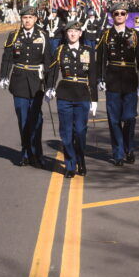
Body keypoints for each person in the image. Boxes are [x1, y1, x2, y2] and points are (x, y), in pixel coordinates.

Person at [0, 6, 53, 168]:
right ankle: (25, 152)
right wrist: (3, 76)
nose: (27, 20)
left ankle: (37, 153)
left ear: (36, 19)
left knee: (36, 119)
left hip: (37, 82)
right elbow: (7, 58)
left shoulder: (43, 36)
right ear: (21, 19)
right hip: (19, 81)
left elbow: (48, 62)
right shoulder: (13, 36)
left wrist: (50, 85)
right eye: (25, 18)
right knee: (23, 119)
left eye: (30, 17)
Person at [96, 2, 139, 166]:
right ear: (112, 16)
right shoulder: (106, 35)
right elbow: (101, 59)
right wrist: (100, 78)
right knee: (114, 119)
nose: (119, 16)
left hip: (130, 79)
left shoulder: (133, 34)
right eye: (116, 13)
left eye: (122, 13)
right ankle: (118, 152)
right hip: (112, 80)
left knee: (130, 117)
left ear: (127, 16)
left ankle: (129, 147)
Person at [45, 21, 99, 178]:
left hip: (82, 94)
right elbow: (53, 71)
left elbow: (93, 76)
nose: (73, 34)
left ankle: (81, 159)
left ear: (81, 34)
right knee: (66, 134)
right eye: (70, 31)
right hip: (65, 95)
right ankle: (70, 164)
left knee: (80, 132)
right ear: (66, 34)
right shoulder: (60, 50)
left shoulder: (88, 51)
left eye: (76, 31)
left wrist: (94, 99)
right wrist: (50, 88)